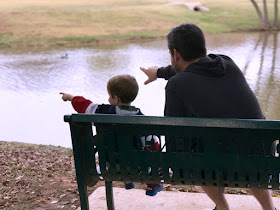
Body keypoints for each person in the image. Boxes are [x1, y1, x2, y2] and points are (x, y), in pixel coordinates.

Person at [140, 23, 276, 210]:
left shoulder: (176, 85)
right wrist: (159, 73)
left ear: (175, 54)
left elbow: (173, 133)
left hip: (214, 166)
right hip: (262, 159)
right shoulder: (226, 63)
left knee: (200, 152)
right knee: (245, 146)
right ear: (203, 48)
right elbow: (192, 70)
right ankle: (269, 208)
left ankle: (222, 207)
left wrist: (177, 168)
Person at [60, 74, 163, 196]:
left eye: (109, 96)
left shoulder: (103, 112)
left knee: (119, 152)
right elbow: (152, 142)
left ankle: (127, 179)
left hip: (110, 165)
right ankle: (152, 184)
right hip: (136, 167)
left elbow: (86, 106)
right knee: (145, 155)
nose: (108, 99)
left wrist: (71, 98)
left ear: (116, 98)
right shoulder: (141, 119)